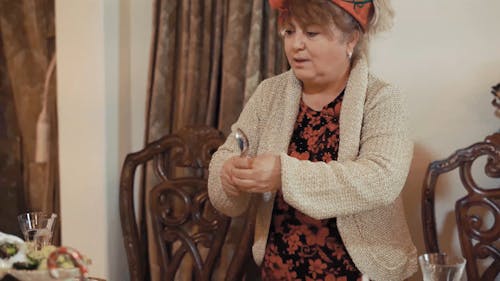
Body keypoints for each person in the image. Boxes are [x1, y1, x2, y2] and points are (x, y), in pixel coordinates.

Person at [208, 0, 417, 280]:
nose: (296, 45)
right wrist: (228, 174)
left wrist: (284, 174)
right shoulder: (269, 94)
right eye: (290, 32)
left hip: (358, 274)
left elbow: (382, 179)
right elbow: (228, 153)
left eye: (312, 33)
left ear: (351, 38)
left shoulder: (382, 99)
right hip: (277, 270)